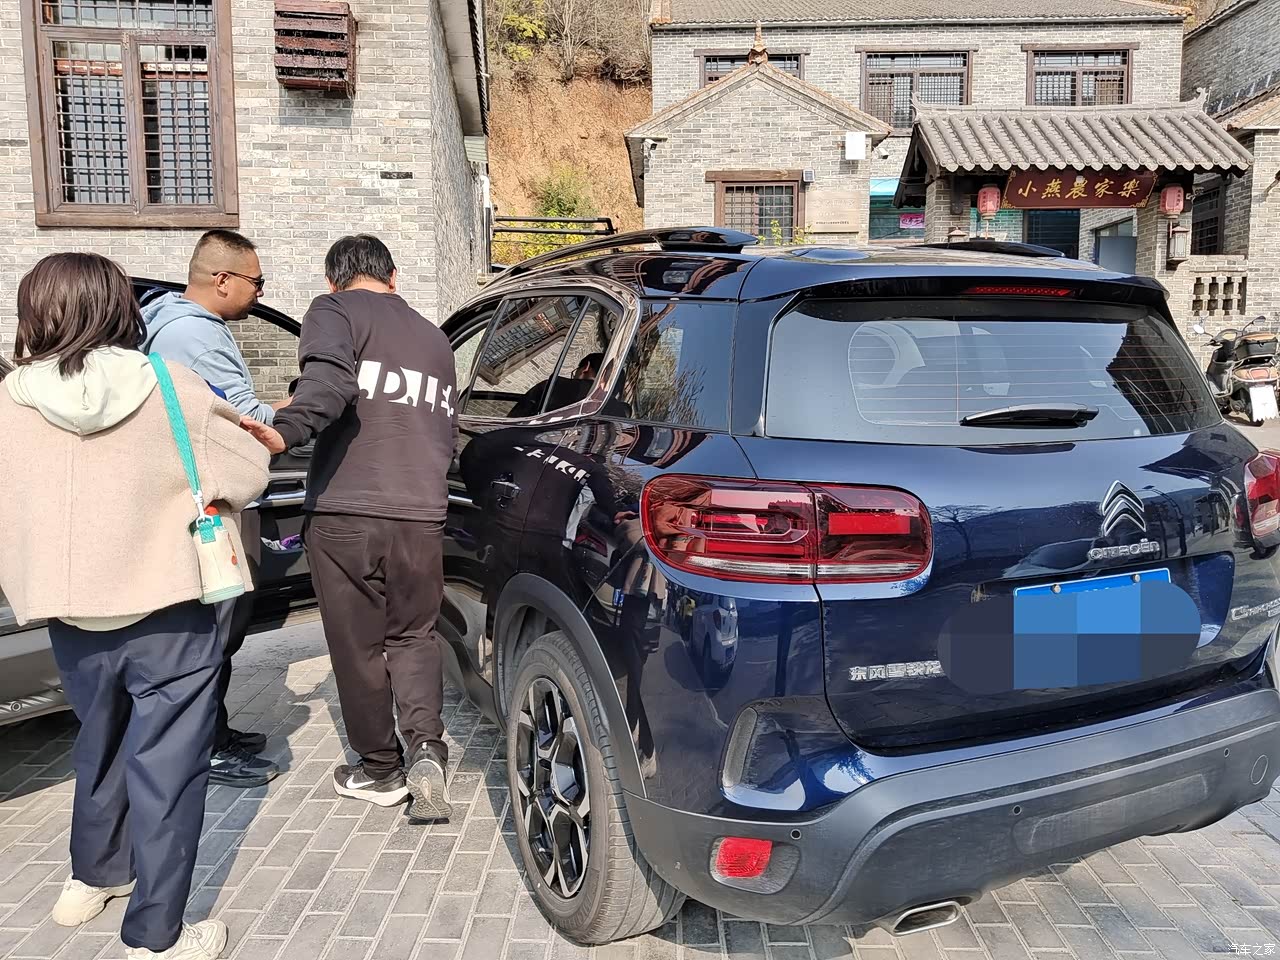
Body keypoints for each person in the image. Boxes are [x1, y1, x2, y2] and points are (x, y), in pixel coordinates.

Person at [0, 253, 270, 960]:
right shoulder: (169, 384)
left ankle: (92, 878)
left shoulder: (10, 399)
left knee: (100, 738)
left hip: (70, 611)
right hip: (166, 606)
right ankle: (156, 937)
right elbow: (248, 471)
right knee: (168, 767)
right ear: (121, 308)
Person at [240, 235, 457, 820]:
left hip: (347, 514)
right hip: (421, 514)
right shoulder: (434, 338)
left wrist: (287, 429)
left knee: (358, 646)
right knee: (414, 636)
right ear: (393, 276)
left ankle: (381, 770)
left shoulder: (332, 310)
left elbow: (329, 384)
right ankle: (427, 748)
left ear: (332, 279)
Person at [140, 229, 281, 789]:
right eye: (257, 282)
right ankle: (205, 748)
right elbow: (242, 418)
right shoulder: (193, 334)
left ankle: (213, 732)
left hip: (192, 498)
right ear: (222, 279)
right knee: (214, 632)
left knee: (217, 628)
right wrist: (301, 410)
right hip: (205, 505)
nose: (260, 293)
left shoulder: (173, 322)